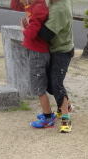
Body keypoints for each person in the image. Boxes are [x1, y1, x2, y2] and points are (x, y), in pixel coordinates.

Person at [18, 0, 56, 129]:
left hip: (37, 53)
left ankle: (48, 117)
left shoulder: (38, 8)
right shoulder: (37, 6)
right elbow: (15, 5)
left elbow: (31, 33)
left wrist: (24, 28)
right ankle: (48, 113)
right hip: (39, 51)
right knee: (40, 85)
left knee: (39, 87)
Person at [38, 0, 74, 133]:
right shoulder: (54, 2)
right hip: (55, 49)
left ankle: (66, 118)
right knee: (50, 85)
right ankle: (67, 105)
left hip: (62, 51)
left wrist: (31, 22)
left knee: (56, 84)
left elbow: (45, 34)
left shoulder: (59, 8)